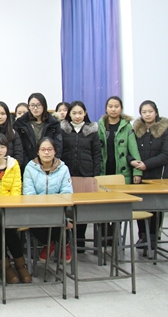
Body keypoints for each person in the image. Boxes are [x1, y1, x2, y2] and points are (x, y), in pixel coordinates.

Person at [0, 133, 32, 284]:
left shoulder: (14, 165)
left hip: (11, 210)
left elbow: (16, 189)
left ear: (7, 149)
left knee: (8, 227)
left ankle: (20, 266)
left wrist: (8, 209)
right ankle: (7, 266)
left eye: (2, 147)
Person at [23, 137, 73, 262]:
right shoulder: (30, 168)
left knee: (58, 218)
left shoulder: (63, 168)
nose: (46, 152)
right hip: (36, 210)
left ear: (55, 151)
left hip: (57, 209)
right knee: (34, 221)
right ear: (38, 152)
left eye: (50, 149)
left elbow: (67, 193)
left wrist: (55, 206)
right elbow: (29, 194)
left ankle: (63, 245)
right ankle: (50, 243)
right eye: (43, 149)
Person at [59, 101, 101, 251]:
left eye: (80, 113)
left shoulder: (92, 131)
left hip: (86, 175)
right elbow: (59, 152)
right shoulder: (63, 130)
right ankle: (67, 240)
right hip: (68, 175)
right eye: (74, 113)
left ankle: (80, 240)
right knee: (68, 208)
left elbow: (97, 155)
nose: (77, 116)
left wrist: (95, 175)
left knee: (83, 208)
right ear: (69, 114)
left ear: (85, 113)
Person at [133, 100, 168, 248]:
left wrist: (146, 164)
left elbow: (166, 154)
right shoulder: (136, 131)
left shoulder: (165, 131)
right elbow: (130, 149)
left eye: (150, 111)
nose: (147, 114)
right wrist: (134, 163)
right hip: (140, 174)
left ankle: (154, 236)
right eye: (144, 112)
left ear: (156, 112)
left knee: (156, 206)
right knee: (141, 204)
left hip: (159, 175)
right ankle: (142, 236)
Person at [97, 96, 142, 184]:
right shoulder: (100, 126)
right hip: (103, 172)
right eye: (110, 106)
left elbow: (134, 150)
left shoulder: (127, 126)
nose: (113, 109)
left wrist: (137, 172)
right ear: (106, 109)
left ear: (121, 109)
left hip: (122, 173)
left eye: (116, 106)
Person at [14, 93, 63, 164]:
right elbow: (20, 148)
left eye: (38, 105)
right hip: (28, 164)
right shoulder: (20, 124)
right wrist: (29, 165)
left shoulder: (53, 123)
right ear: (29, 107)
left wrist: (52, 163)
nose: (35, 108)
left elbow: (58, 146)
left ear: (44, 106)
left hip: (49, 163)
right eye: (32, 105)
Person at [0, 101, 24, 167]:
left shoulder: (13, 133)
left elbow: (19, 156)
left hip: (10, 169)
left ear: (7, 116)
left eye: (3, 114)